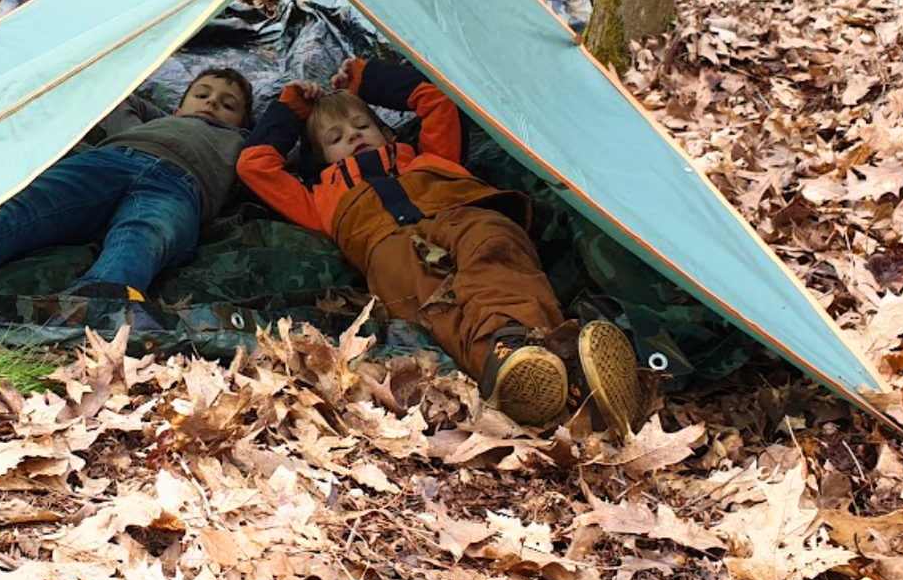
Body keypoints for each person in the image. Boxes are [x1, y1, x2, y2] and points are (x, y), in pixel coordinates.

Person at [238, 57, 645, 434]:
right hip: (386, 246)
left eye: (362, 126)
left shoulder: (429, 155)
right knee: (437, 308)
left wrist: (367, 78)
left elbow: (435, 100)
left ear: (387, 132)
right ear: (321, 160)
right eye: (336, 137)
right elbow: (254, 164)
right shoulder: (319, 196)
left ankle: (526, 355)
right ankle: (566, 380)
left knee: (495, 259)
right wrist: (291, 108)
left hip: (459, 213)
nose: (354, 137)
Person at [0, 68, 253, 321]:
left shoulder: (244, 143)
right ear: (178, 106)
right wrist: (147, 123)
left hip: (178, 186)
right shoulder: (154, 122)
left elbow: (285, 154)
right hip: (110, 161)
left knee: (144, 235)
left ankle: (98, 302)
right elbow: (123, 100)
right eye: (202, 94)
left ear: (243, 123)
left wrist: (292, 109)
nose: (211, 104)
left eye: (228, 104)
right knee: (28, 210)